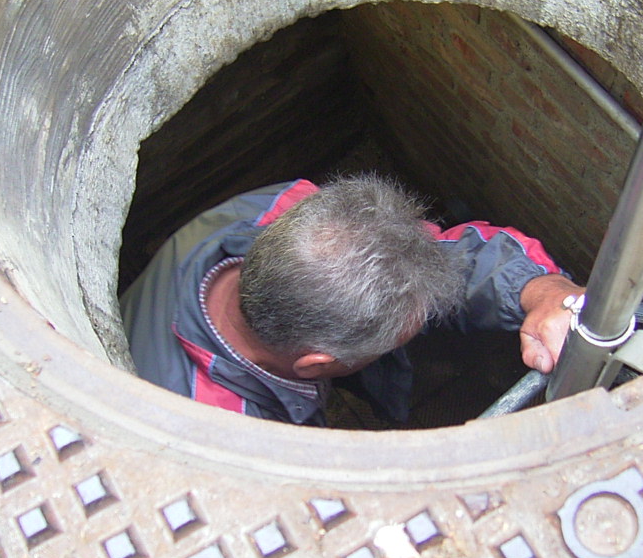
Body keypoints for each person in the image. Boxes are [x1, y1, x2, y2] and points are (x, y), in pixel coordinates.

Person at [120, 175, 582, 425]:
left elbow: (442, 256)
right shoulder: (220, 429)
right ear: (317, 365)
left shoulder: (288, 209)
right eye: (392, 342)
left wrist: (544, 292)